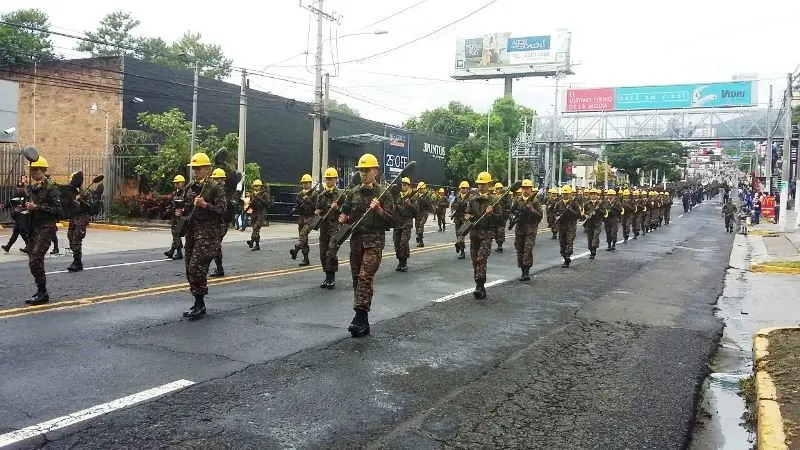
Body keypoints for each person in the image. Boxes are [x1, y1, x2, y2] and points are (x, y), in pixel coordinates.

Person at [337, 153, 395, 338]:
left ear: (375, 171)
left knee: (364, 276)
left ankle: (359, 316)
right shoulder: (353, 192)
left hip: (374, 241)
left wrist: (379, 209)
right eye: (361, 170)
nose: (363, 173)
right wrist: (343, 218)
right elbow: (345, 213)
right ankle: (364, 321)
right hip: (356, 241)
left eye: (366, 170)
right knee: (357, 279)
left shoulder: (383, 193)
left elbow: (392, 220)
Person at [180, 152, 227, 319]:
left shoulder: (215, 187)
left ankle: (200, 304)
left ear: (207, 169)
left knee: (197, 267)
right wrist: (180, 210)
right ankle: (196, 302)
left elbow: (222, 210)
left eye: (199, 168)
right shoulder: (190, 187)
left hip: (208, 234)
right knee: (189, 268)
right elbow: (185, 207)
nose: (195, 171)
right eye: (194, 168)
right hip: (192, 232)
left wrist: (205, 204)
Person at [23, 155, 62, 305]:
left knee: (36, 259)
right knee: (33, 260)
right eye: (32, 170)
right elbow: (31, 204)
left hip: (46, 226)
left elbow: (58, 210)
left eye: (37, 169)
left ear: (44, 170)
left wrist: (37, 207)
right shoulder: (33, 188)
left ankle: (42, 292)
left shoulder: (52, 187)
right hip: (33, 226)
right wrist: (27, 207)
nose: (33, 172)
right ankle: (41, 291)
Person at [464, 171, 501, 299]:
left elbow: (500, 219)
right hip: (474, 233)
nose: (481, 186)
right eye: (479, 184)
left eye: (484, 184)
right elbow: (467, 213)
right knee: (475, 260)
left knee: (481, 259)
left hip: (487, 234)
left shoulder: (494, 200)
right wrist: (467, 216)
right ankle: (479, 284)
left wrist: (492, 214)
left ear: (489, 184)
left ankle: (479, 286)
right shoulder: (472, 199)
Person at [510, 179, 542, 281]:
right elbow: (511, 212)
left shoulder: (535, 201)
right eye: (523, 188)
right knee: (519, 249)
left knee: (527, 249)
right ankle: (522, 270)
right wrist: (514, 217)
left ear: (531, 189)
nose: (525, 190)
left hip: (530, 229)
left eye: (527, 188)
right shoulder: (517, 200)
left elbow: (540, 216)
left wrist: (531, 209)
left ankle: (526, 272)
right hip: (520, 228)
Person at [315, 167, 342, 289]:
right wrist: (317, 212)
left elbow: (346, 212)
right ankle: (327, 277)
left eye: (331, 179)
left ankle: (331, 278)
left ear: (336, 179)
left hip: (335, 227)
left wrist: (337, 208)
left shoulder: (340, 195)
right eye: (327, 179)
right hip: (324, 228)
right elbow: (318, 209)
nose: (328, 181)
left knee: (331, 252)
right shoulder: (321, 195)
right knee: (323, 253)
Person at [290, 174, 317, 267]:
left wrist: (308, 199)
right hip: (302, 218)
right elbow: (298, 204)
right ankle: (305, 258)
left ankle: (297, 248)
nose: (305, 184)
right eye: (303, 183)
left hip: (310, 217)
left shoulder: (314, 194)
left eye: (307, 183)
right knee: (304, 238)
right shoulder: (300, 194)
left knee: (303, 234)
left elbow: (316, 206)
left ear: (310, 183)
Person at [554, 185, 582, 268]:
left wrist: (570, 210)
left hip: (571, 225)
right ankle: (565, 257)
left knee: (569, 241)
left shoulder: (574, 204)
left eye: (567, 194)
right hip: (562, 225)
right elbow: (555, 212)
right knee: (562, 242)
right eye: (564, 194)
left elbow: (578, 215)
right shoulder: (559, 203)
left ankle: (568, 256)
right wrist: (557, 216)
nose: (565, 195)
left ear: (570, 194)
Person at [392, 177, 417, 272]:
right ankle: (400, 261)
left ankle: (404, 262)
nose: (403, 186)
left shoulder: (412, 197)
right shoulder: (397, 196)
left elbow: (416, 211)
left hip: (407, 223)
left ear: (409, 186)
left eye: (405, 185)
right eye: (402, 185)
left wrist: (409, 205)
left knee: (403, 243)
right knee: (396, 243)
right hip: (397, 223)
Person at [209, 168, 230, 278]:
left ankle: (219, 268)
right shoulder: (216, 190)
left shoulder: (223, 192)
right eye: (214, 179)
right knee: (215, 245)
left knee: (215, 245)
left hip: (222, 223)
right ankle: (219, 268)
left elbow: (220, 209)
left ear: (223, 180)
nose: (215, 181)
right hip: (217, 222)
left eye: (217, 179)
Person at [164, 175, 186, 260]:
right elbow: (171, 204)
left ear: (183, 183)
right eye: (175, 183)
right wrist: (169, 210)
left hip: (182, 217)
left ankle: (174, 251)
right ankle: (175, 251)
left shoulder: (186, 193)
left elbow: (188, 204)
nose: (176, 184)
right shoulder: (174, 193)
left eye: (178, 183)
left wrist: (183, 210)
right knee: (175, 234)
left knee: (177, 233)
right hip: (174, 216)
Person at [2, 184, 28, 253]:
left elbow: (28, 206)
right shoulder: (16, 195)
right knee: (18, 231)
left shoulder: (27, 196)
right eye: (18, 188)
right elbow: (12, 202)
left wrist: (23, 208)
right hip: (17, 216)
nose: (19, 189)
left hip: (24, 216)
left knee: (20, 231)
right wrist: (4, 205)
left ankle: (28, 246)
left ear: (24, 188)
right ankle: (8, 246)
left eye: (21, 188)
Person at [247, 179, 272, 251]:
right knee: (255, 229)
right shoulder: (252, 194)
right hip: (254, 213)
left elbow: (267, 204)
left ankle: (252, 241)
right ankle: (257, 245)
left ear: (260, 186)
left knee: (256, 227)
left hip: (261, 213)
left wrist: (259, 198)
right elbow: (252, 204)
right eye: (254, 186)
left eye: (257, 186)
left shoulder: (264, 194)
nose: (255, 187)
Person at [582, 188, 607, 259]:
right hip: (589, 223)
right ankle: (591, 251)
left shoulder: (600, 203)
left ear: (597, 195)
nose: (593, 195)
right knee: (590, 238)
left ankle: (594, 248)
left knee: (595, 236)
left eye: (594, 194)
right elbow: (583, 212)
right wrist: (586, 215)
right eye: (592, 194)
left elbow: (604, 212)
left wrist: (597, 210)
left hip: (597, 222)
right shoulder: (587, 203)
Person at [451, 181, 471, 260]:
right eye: (462, 188)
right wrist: (453, 210)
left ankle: (462, 251)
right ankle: (460, 246)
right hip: (457, 218)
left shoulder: (470, 197)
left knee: (461, 234)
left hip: (465, 218)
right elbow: (453, 205)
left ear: (467, 189)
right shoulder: (457, 197)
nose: (463, 189)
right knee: (457, 234)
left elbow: (470, 207)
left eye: (464, 188)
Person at [492, 182, 511, 253]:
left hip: (503, 216)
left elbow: (508, 206)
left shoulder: (505, 196)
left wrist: (506, 213)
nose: (498, 190)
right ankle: (498, 244)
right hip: (495, 216)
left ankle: (500, 245)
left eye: (499, 188)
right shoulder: (494, 197)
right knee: (495, 230)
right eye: (497, 189)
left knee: (500, 230)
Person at [414, 181, 432, 247]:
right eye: (419, 189)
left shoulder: (427, 196)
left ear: (424, 189)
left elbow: (429, 204)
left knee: (421, 225)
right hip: (418, 214)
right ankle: (421, 242)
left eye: (421, 189)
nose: (420, 190)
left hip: (424, 213)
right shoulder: (416, 196)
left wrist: (423, 199)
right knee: (417, 226)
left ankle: (419, 237)